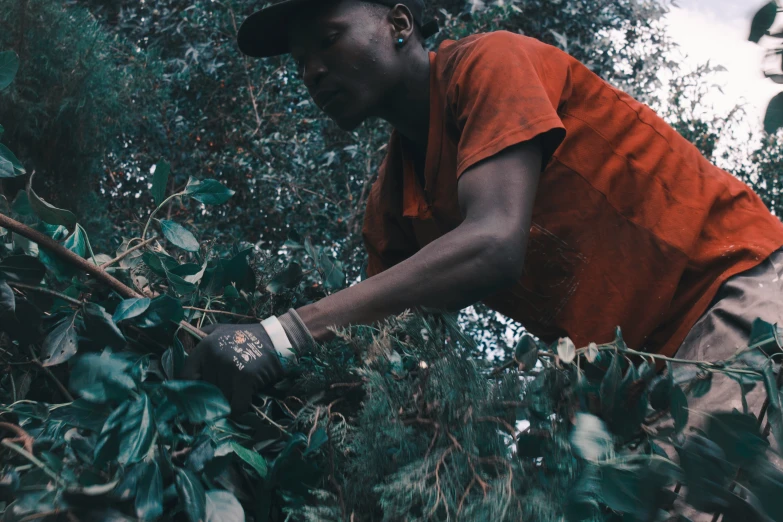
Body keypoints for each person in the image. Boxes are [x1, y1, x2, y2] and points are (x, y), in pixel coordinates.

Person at [183, 0, 783, 416]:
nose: (312, 71)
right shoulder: (391, 206)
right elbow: (382, 347)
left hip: (737, 294)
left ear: (398, 23)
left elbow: (494, 244)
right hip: (646, 377)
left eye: (328, 40)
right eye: (300, 61)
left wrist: (281, 334)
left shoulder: (490, 64)